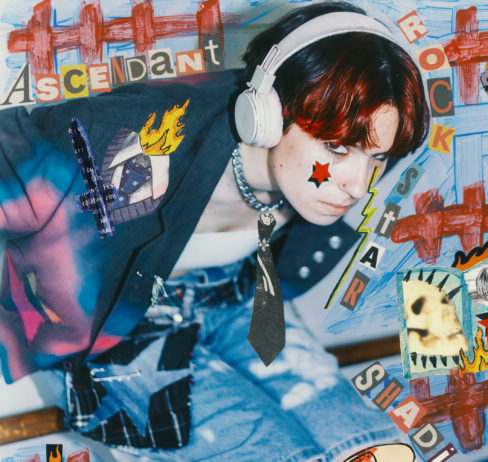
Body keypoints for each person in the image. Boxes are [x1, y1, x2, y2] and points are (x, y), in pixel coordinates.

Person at [0, 1, 429, 460]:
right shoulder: (144, 135)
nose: (358, 185)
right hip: (119, 321)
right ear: (265, 114)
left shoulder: (367, 152)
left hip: (236, 296)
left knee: (379, 451)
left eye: (376, 157)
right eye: (336, 149)